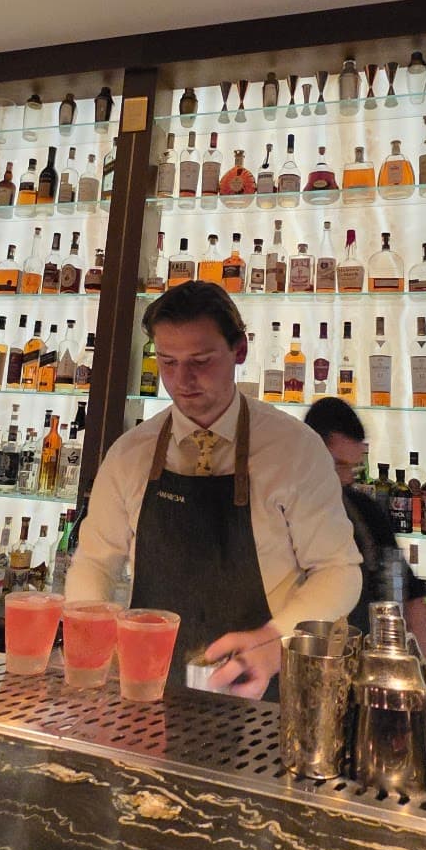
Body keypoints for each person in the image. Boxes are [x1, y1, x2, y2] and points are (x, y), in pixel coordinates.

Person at [65, 281, 361, 699]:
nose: (182, 380)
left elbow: (338, 570)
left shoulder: (294, 449)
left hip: (267, 694)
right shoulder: (130, 455)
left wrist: (275, 641)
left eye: (200, 361)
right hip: (150, 689)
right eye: (167, 362)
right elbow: (95, 562)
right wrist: (92, 637)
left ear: (238, 350)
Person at [303, 397, 426, 684]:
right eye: (337, 465)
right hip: (300, 671)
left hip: (364, 679)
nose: (345, 479)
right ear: (306, 448)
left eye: (350, 468)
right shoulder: (278, 509)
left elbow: (413, 602)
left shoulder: (365, 511)